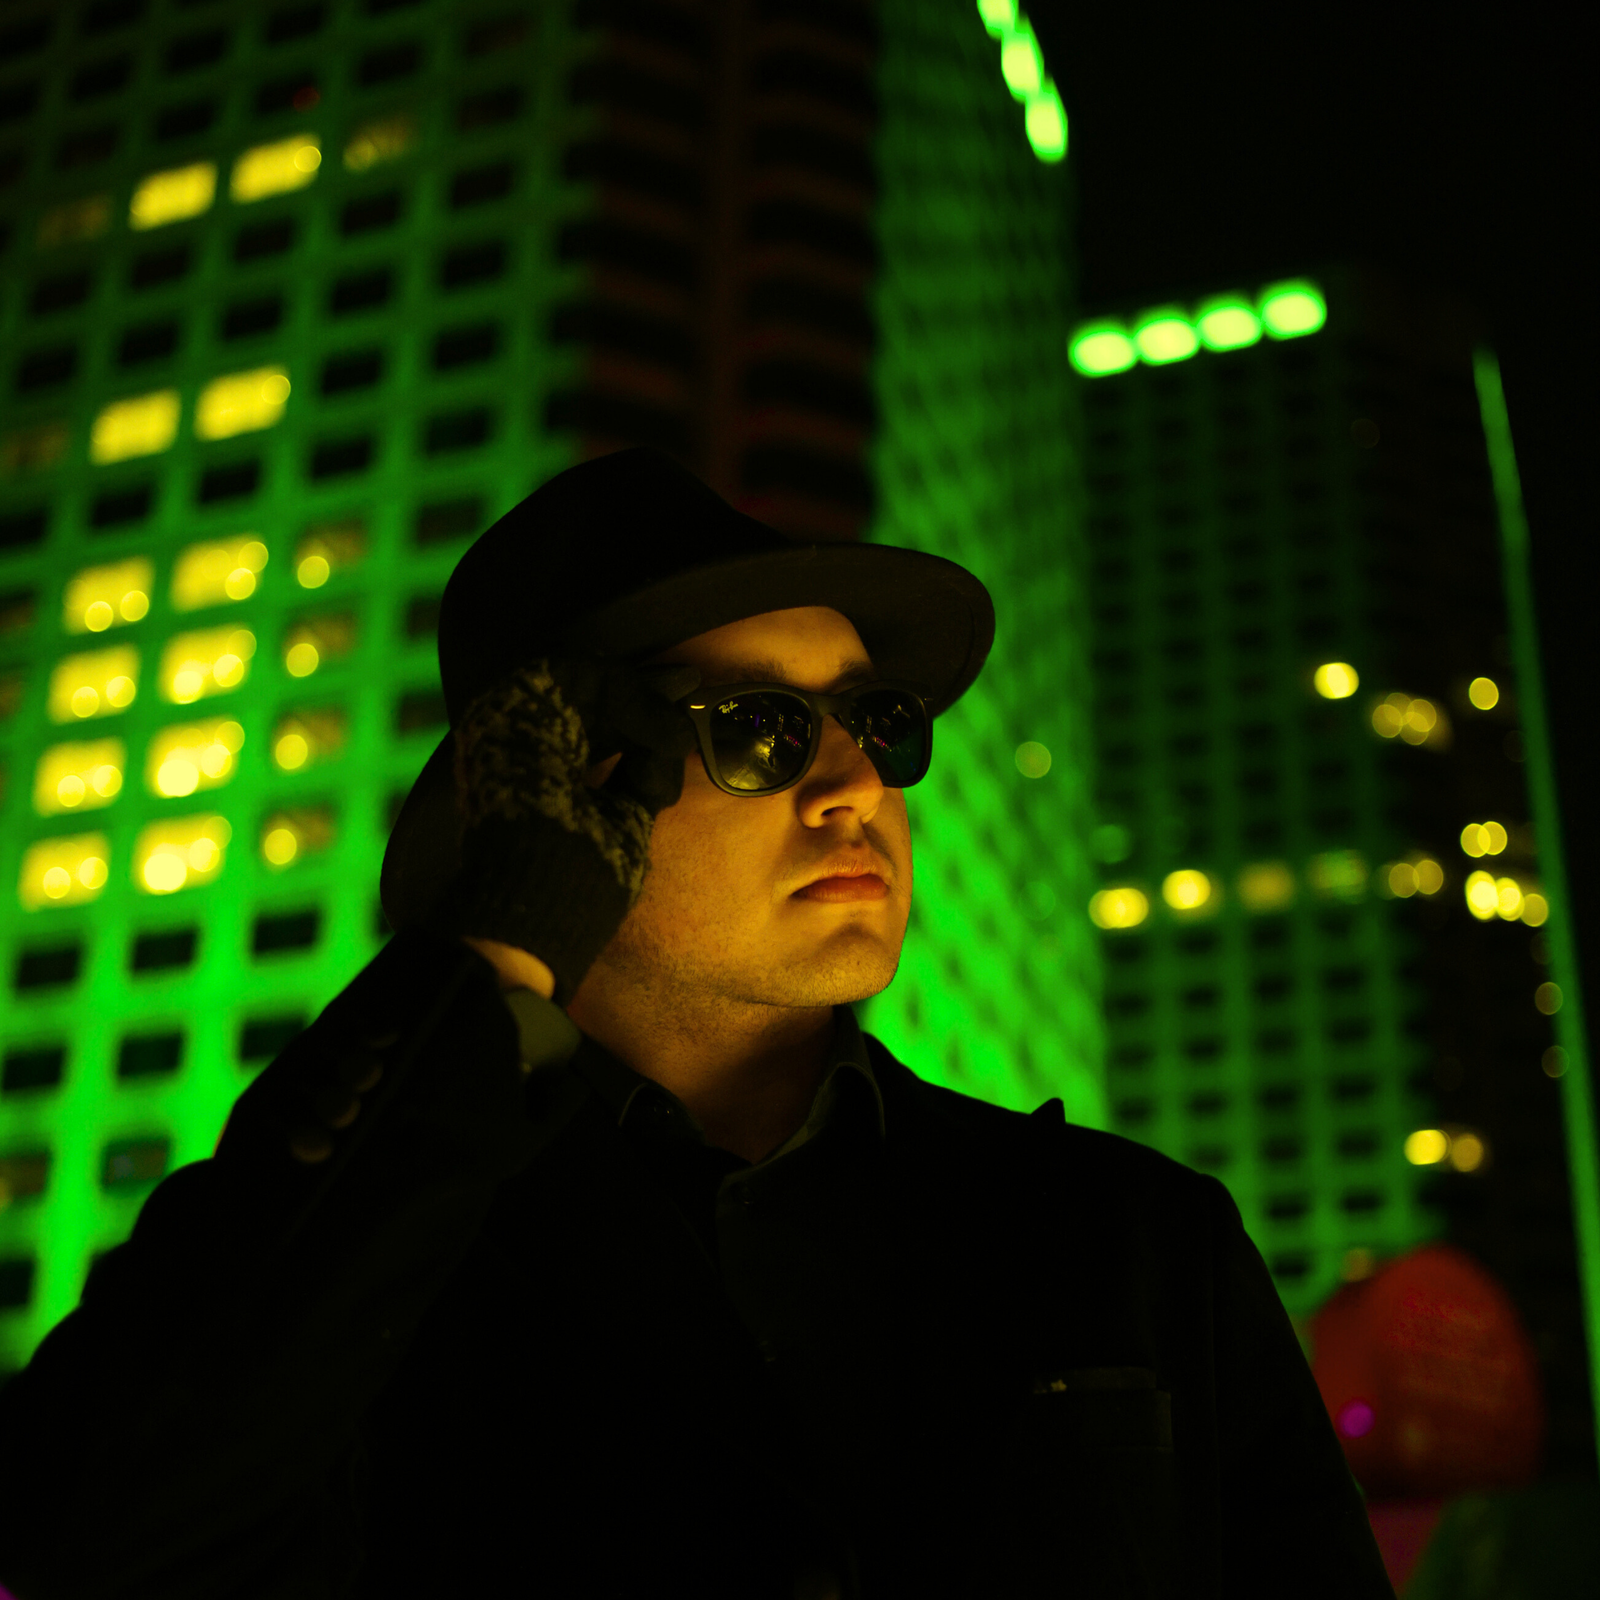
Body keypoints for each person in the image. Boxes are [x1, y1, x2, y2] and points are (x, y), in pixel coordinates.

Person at [0, 449, 1395, 1599]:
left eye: (877, 721)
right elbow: (91, 1527)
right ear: (566, 781)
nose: (856, 786)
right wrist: (506, 927)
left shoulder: (1132, 1236)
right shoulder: (393, 1259)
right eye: (759, 729)